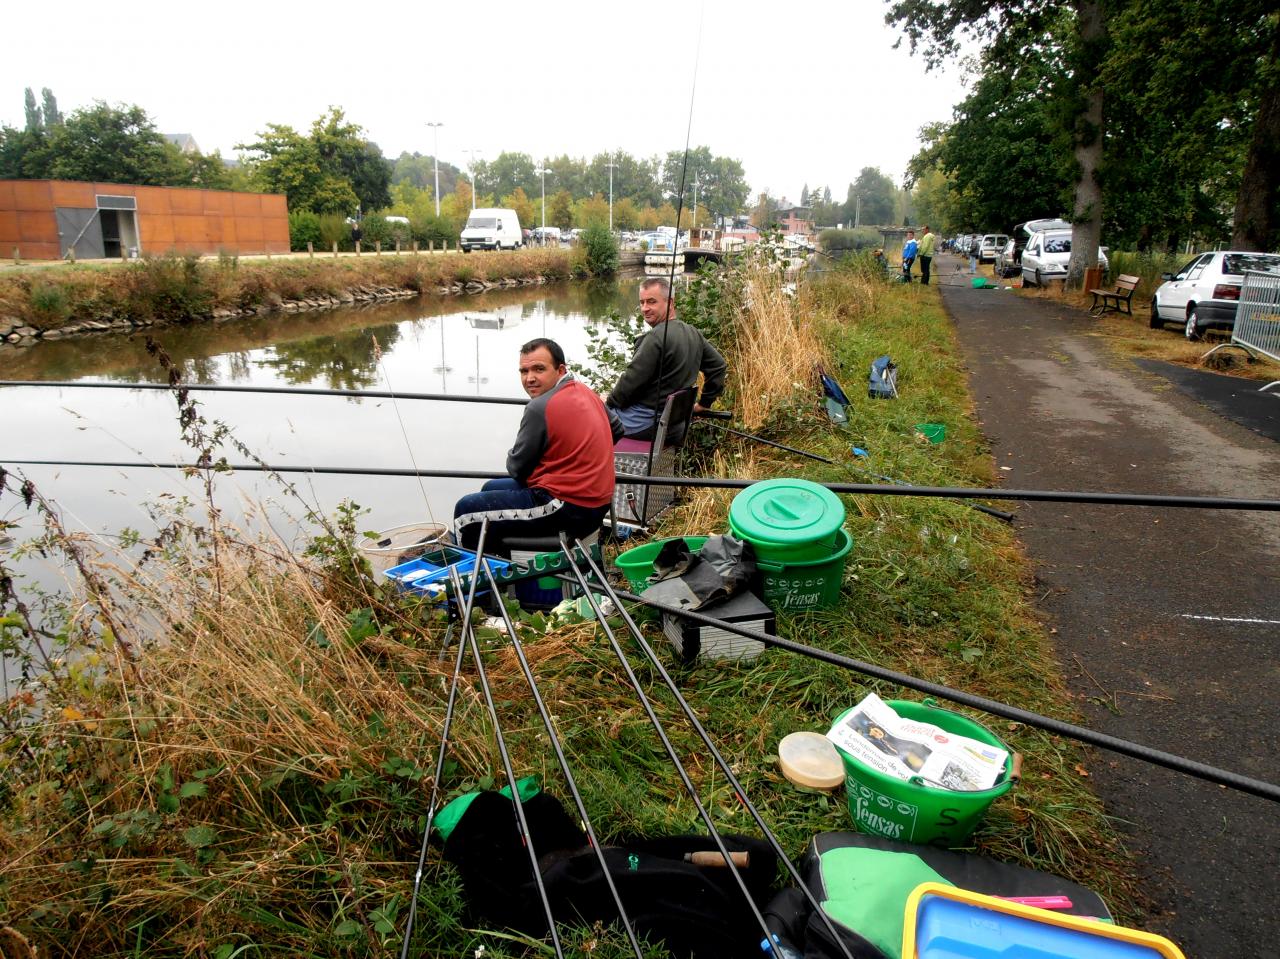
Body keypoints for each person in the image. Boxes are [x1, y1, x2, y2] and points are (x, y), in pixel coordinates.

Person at [453, 338, 622, 553]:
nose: (530, 378)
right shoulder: (584, 391)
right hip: (599, 504)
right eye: (524, 371)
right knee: (490, 488)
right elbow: (617, 430)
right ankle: (504, 572)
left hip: (566, 507)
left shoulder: (539, 407)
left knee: (465, 510)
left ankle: (473, 583)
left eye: (539, 369)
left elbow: (516, 468)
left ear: (560, 370)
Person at [606, 277, 727, 439]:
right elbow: (718, 366)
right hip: (675, 425)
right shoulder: (692, 333)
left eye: (651, 302)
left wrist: (608, 402)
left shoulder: (655, 337)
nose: (645, 308)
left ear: (670, 303)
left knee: (592, 414)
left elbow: (630, 383)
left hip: (646, 424)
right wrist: (704, 403)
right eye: (642, 303)